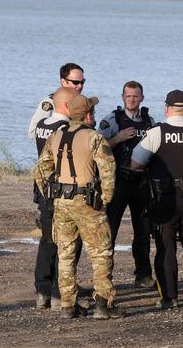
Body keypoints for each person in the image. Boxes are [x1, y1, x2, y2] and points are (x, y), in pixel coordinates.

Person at [35, 94, 123, 319]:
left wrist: (50, 195)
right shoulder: (94, 138)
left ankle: (67, 304)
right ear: (88, 115)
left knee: (65, 254)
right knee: (101, 253)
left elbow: (41, 170)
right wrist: (106, 198)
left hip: (62, 202)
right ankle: (103, 304)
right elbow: (107, 171)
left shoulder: (55, 137)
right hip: (88, 202)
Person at [131, 90, 183, 309]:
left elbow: (136, 162)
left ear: (166, 109)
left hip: (163, 197)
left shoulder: (157, 133)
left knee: (165, 248)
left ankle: (169, 297)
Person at [98, 81, 156, 288]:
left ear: (142, 98)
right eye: (128, 96)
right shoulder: (112, 120)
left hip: (141, 182)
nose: (132, 99)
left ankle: (143, 275)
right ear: (123, 97)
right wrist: (118, 138)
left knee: (142, 231)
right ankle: (106, 277)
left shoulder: (150, 121)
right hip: (118, 182)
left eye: (136, 96)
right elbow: (97, 148)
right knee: (109, 231)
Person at [33, 87, 83, 309]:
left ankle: (42, 290)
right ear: (65, 106)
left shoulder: (42, 125)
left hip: (44, 190)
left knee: (47, 240)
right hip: (62, 191)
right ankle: (57, 293)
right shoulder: (65, 128)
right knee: (66, 242)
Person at [28, 63, 85, 139]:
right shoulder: (50, 102)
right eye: (75, 82)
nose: (80, 86)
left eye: (82, 82)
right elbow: (33, 132)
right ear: (63, 82)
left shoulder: (82, 102)